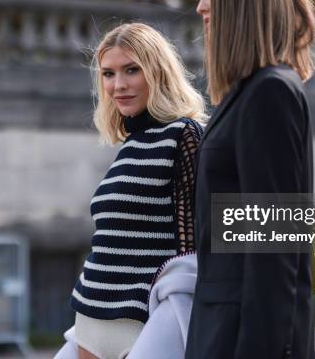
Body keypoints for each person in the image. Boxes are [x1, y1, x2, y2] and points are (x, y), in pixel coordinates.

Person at [187, 0, 315, 358]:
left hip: (243, 337)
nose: (200, 5)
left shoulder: (269, 93)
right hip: (223, 327)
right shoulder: (248, 94)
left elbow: (274, 251)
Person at [54, 22, 206, 359]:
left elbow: (190, 251)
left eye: (131, 70)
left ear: (158, 72)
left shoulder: (184, 135)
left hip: (145, 321)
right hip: (91, 317)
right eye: (108, 74)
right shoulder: (129, 143)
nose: (118, 85)